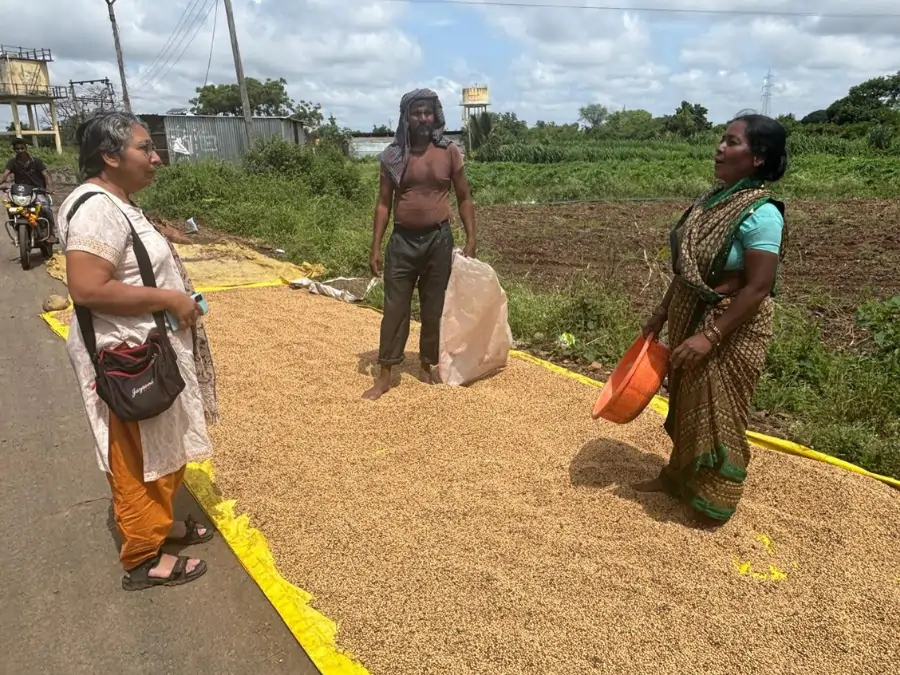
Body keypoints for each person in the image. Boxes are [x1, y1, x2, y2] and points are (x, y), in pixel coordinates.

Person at [59, 111, 216, 590]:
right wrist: (169, 299)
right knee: (135, 454)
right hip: (126, 358)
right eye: (144, 148)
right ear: (109, 156)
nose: (156, 158)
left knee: (159, 444)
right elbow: (86, 287)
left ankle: (160, 523)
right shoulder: (96, 208)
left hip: (149, 348)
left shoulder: (118, 201)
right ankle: (144, 557)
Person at [634, 114, 788, 527]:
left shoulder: (762, 214)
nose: (720, 147)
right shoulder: (710, 200)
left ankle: (714, 502)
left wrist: (711, 336)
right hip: (690, 314)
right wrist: (661, 312)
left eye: (732, 141)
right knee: (687, 400)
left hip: (732, 327)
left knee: (720, 410)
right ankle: (676, 478)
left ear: (757, 158)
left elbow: (757, 288)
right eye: (722, 139)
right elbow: (687, 271)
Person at [363, 88, 476, 400]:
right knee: (395, 309)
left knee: (434, 308)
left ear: (435, 115)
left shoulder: (449, 152)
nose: (423, 118)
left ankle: (428, 365)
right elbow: (383, 204)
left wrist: (471, 238)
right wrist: (375, 246)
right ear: (406, 117)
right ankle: (385, 374)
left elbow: (464, 197)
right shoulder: (393, 156)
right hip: (402, 242)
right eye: (417, 113)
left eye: (428, 112)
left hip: (439, 240)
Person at [1, 139, 57, 241]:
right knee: (10, 207)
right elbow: (5, 175)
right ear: (14, 150)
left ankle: (52, 230)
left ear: (26, 148)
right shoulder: (12, 162)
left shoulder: (36, 161)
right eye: (17, 149)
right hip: (21, 192)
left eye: (22, 148)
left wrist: (49, 187)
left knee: (44, 206)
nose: (20, 150)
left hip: (37, 190)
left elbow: (46, 175)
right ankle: (16, 226)